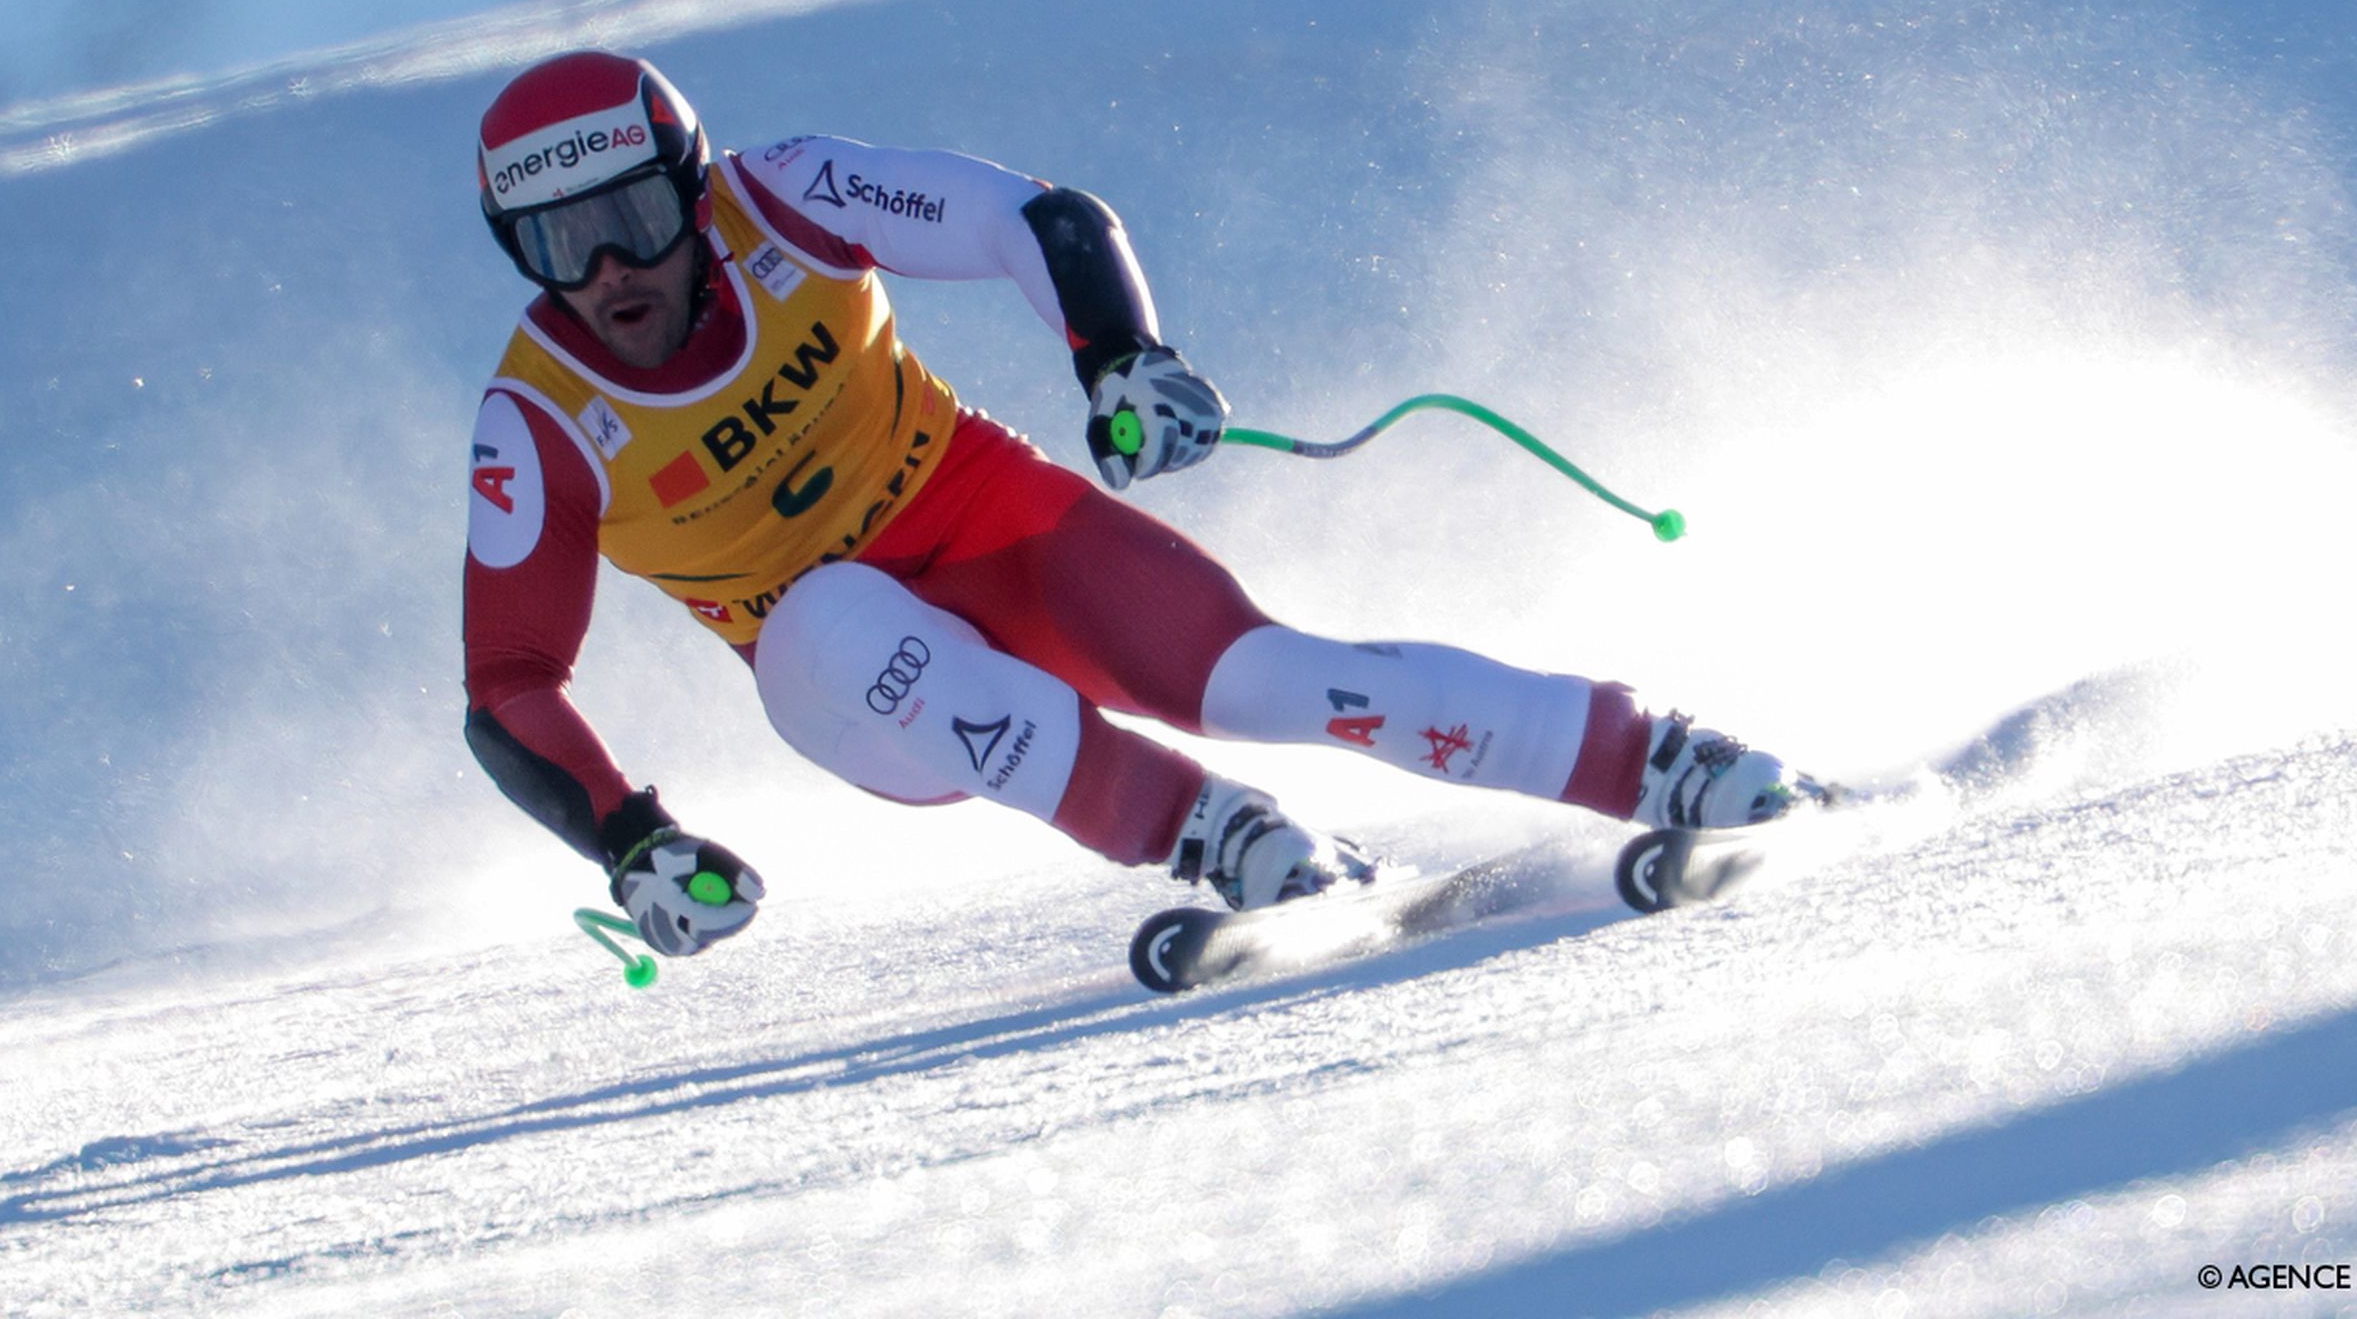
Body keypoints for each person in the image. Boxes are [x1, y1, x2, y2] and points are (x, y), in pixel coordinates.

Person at [461, 51, 1819, 957]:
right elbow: (511, 683)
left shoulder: (787, 198)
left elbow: (1029, 221)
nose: (605, 274)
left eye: (631, 218)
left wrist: (1121, 357)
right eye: (554, 246)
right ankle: (1215, 836)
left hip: (991, 523)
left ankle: (1659, 760)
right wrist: (631, 843)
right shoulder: (539, 423)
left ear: (692, 192)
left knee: (1270, 677)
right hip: (856, 684)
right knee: (831, 616)